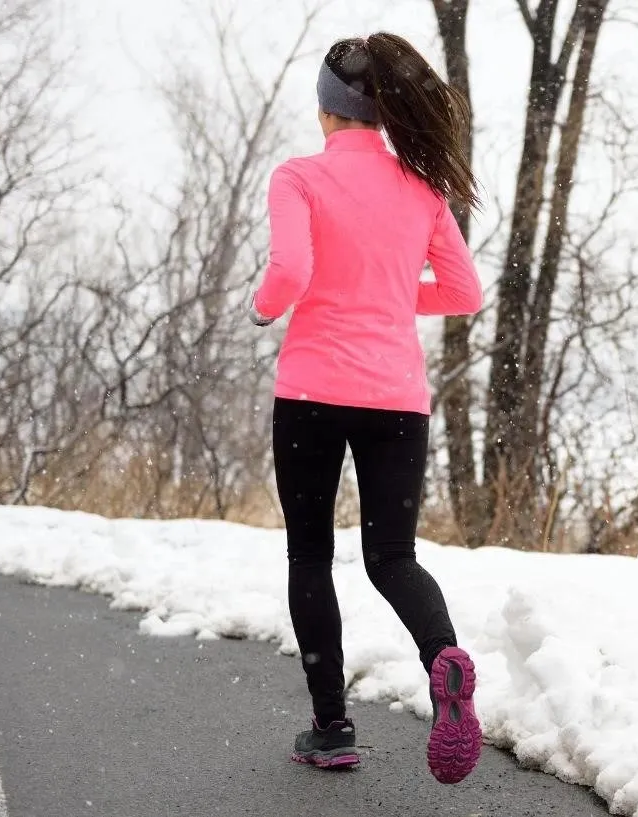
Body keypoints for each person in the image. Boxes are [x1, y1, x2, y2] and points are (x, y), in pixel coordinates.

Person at [247, 33, 483, 785]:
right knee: (392, 557)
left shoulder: (300, 178)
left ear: (326, 111)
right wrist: (389, 294)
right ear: (379, 114)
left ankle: (332, 726)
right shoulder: (422, 187)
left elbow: (290, 270)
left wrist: (265, 307)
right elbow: (464, 293)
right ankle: (442, 655)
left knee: (310, 553)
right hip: (397, 403)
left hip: (313, 394)